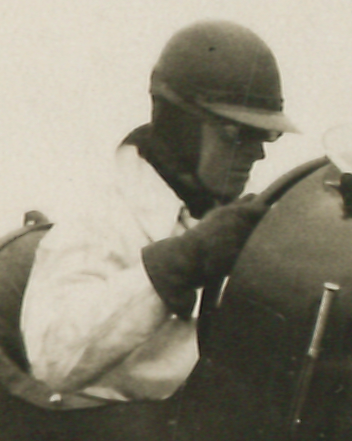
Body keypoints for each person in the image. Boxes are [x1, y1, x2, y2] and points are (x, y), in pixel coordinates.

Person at [19, 20, 293, 402]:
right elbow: (53, 359)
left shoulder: (227, 226)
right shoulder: (100, 216)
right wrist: (179, 264)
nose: (258, 152)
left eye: (266, 135)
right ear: (182, 125)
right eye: (238, 134)